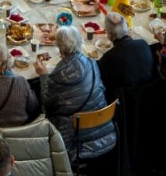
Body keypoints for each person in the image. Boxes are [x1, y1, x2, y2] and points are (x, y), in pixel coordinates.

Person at [35, 25, 115, 162]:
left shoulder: (58, 74)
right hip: (104, 130)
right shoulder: (92, 63)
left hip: (76, 138)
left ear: (59, 48)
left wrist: (43, 76)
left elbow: (46, 101)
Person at [94, 12, 155, 102]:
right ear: (126, 27)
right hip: (150, 99)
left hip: (123, 105)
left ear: (109, 35)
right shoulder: (143, 44)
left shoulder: (107, 59)